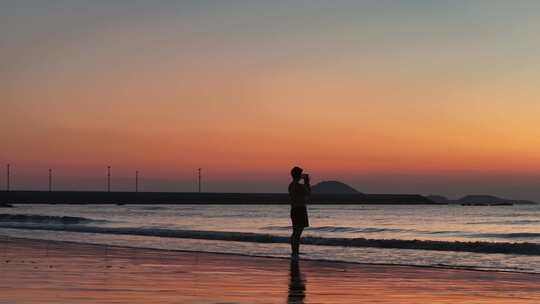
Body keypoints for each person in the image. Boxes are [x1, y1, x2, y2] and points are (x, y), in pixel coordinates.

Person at [288, 166, 310, 258]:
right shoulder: (298, 186)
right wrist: (307, 181)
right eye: (301, 174)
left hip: (294, 209)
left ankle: (294, 252)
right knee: (298, 233)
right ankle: (295, 252)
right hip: (300, 209)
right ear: (298, 175)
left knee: (295, 232)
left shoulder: (291, 185)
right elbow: (308, 193)